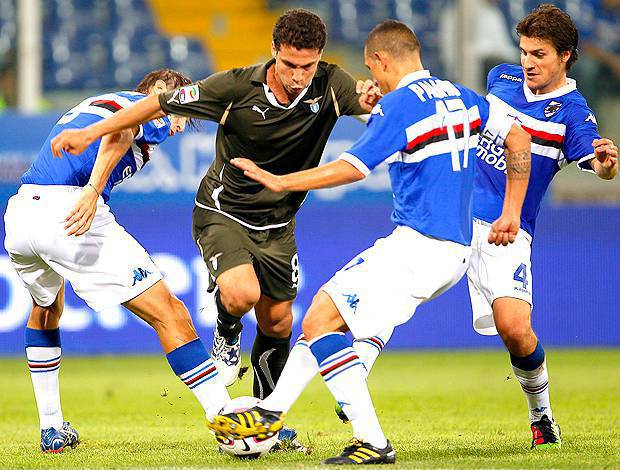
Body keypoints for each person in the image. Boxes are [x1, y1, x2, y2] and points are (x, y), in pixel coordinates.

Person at [49, 8, 382, 446]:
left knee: (279, 322)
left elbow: (378, 106)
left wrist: (375, 94)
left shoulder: (332, 84)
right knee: (242, 294)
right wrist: (92, 133)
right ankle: (226, 331)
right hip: (223, 212)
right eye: (289, 64)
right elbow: (157, 103)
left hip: (279, 224)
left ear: (319, 58)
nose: (299, 76)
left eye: (308, 66)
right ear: (273, 51)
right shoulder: (234, 87)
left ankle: (266, 417)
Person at [207, 20, 532, 465]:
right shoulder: (461, 95)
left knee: (321, 319)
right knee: (323, 321)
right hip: (456, 250)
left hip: (419, 245)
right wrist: (511, 211)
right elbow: (518, 137)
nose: (372, 81)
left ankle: (371, 442)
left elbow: (353, 167)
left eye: (371, 69)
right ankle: (271, 412)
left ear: (380, 60)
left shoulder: (399, 105)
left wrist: (282, 181)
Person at [336, 4, 620, 451]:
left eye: (539, 54)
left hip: (507, 229)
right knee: (395, 291)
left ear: (565, 56)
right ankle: (355, 375)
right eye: (524, 51)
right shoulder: (501, 79)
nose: (527, 62)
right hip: (452, 216)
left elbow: (599, 165)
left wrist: (606, 165)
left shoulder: (574, 113)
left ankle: (541, 415)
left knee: (515, 329)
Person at [3, 69, 231, 453]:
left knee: (46, 308)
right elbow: (122, 130)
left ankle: (51, 428)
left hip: (21, 215)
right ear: (160, 89)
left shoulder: (101, 101)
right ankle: (227, 420)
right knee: (169, 312)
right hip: (68, 209)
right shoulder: (148, 105)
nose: (179, 125)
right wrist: (93, 191)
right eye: (182, 113)